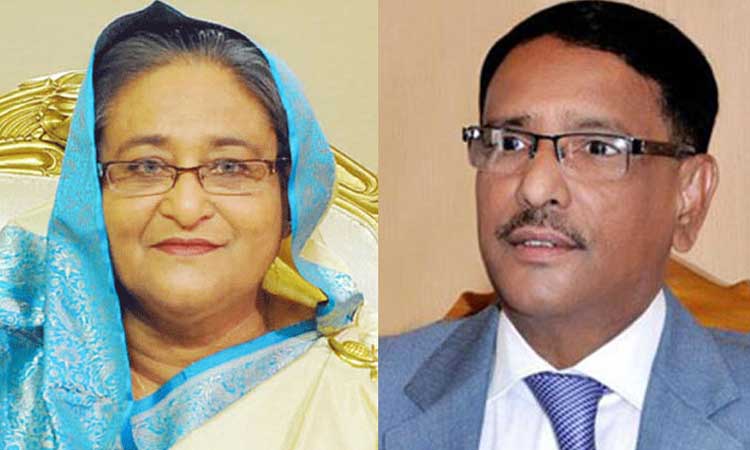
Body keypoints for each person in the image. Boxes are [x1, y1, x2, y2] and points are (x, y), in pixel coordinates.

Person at [0, 2, 376, 449]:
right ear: (88, 197)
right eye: (145, 166)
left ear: (290, 200)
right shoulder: (15, 357)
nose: (186, 207)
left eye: (231, 167)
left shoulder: (361, 396)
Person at [379, 1, 750, 449]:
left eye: (596, 148)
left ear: (689, 194)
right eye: (510, 143)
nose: (535, 188)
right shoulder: (364, 393)